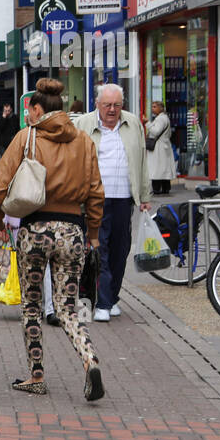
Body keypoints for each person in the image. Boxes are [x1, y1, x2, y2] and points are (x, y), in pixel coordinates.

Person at [0, 78, 106, 400]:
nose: (28, 115)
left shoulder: (27, 137)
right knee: (67, 309)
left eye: (30, 110)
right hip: (72, 232)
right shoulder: (84, 141)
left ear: (38, 109)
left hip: (35, 232)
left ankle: (36, 376)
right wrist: (92, 234)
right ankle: (89, 360)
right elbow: (97, 192)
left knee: (31, 305)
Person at [74, 83, 151, 323]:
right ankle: (103, 303)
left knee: (120, 250)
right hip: (94, 200)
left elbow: (141, 162)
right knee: (100, 250)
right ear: (97, 104)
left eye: (117, 105)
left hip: (123, 199)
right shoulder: (83, 124)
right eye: (107, 105)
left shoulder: (132, 124)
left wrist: (145, 195)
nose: (112, 110)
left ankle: (112, 297)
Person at [147, 101, 175, 195]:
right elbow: (169, 133)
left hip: (159, 148)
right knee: (164, 169)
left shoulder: (160, 119)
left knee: (157, 169)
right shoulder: (164, 118)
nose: (153, 109)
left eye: (155, 107)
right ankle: (166, 188)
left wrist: (147, 123)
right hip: (164, 146)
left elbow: (156, 131)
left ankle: (157, 189)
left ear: (161, 108)